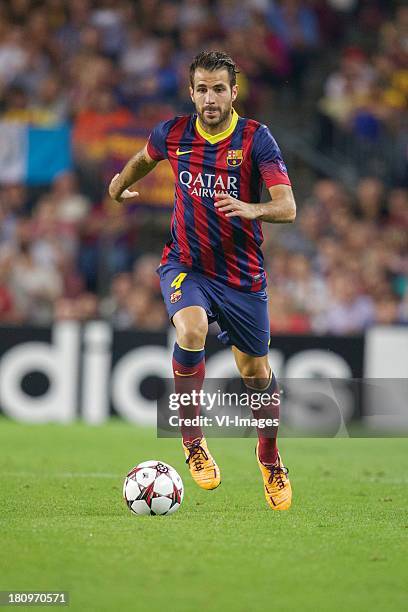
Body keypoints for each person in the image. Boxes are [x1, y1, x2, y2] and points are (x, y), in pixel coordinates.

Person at [109, 51, 296, 511]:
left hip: (241, 275)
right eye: (201, 89)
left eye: (218, 89)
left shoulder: (256, 139)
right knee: (191, 330)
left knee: (255, 372)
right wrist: (118, 185)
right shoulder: (173, 132)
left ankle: (269, 459)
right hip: (186, 264)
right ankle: (192, 441)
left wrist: (253, 208)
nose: (209, 98)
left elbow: (287, 206)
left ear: (235, 92)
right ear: (191, 91)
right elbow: (142, 159)